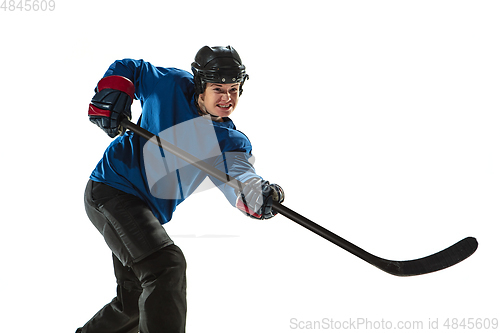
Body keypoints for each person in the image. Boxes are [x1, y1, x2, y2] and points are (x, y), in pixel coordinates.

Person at [76, 45, 285, 333]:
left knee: (136, 300)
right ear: (200, 85)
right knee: (166, 267)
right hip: (112, 189)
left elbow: (240, 179)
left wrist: (257, 196)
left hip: (143, 210)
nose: (227, 98)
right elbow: (131, 68)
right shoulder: (170, 85)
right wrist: (114, 94)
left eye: (234, 89)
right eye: (218, 89)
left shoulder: (229, 141)